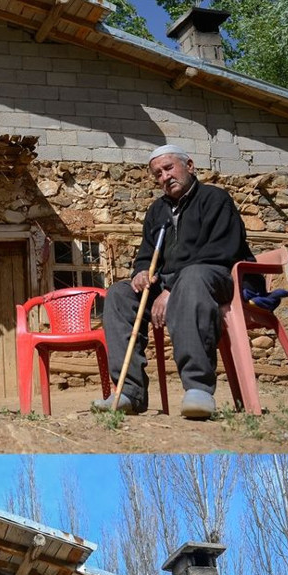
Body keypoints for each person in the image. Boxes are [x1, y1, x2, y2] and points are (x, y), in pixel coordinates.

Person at [95, 145, 253, 420]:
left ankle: (198, 389)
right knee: (119, 293)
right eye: (158, 174)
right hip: (170, 282)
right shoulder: (157, 211)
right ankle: (129, 392)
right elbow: (145, 255)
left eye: (169, 168)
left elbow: (221, 251)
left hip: (213, 277)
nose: (165, 177)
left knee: (191, 279)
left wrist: (172, 289)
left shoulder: (215, 199)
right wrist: (142, 272)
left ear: (189, 166)